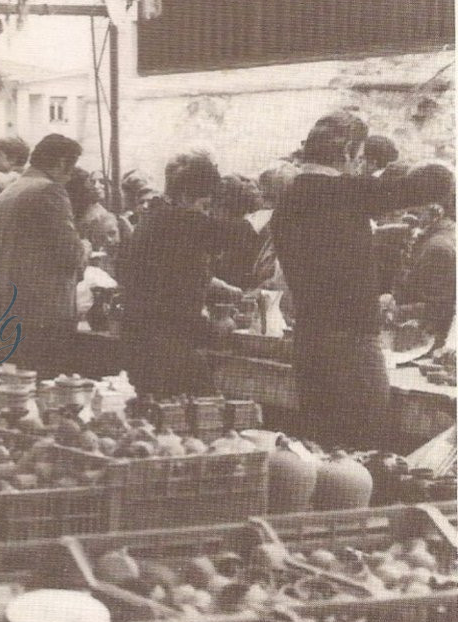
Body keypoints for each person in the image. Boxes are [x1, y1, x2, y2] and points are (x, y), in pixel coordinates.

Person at [271, 111, 455, 447]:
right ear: (346, 154)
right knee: (362, 448)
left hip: (309, 340)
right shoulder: (345, 192)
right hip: (351, 347)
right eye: (359, 158)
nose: (360, 167)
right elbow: (439, 181)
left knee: (321, 447)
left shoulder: (289, 196)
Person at [119, 151, 260, 399]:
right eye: (204, 205)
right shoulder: (178, 221)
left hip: (144, 335)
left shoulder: (156, 215)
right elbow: (237, 233)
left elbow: (177, 269)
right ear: (184, 196)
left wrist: (223, 288)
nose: (206, 213)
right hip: (164, 340)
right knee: (201, 407)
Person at [0, 134, 86, 374]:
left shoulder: (9, 192)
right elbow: (71, 253)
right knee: (47, 385)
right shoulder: (49, 191)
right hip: (44, 312)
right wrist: (86, 248)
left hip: (9, 306)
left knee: (19, 387)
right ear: (63, 162)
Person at [393, 177, 456, 348]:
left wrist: (391, 311)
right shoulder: (437, 237)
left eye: (415, 204)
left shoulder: (437, 248)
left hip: (425, 344)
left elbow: (438, 309)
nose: (407, 211)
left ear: (434, 209)